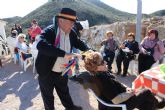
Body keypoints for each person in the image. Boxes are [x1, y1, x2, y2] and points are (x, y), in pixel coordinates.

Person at [35, 8, 90, 110]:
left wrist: (89, 51)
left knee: (64, 92)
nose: (73, 25)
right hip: (47, 72)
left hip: (63, 70)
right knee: (48, 97)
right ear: (60, 20)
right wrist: (64, 54)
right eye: (71, 22)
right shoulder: (50, 31)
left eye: (74, 22)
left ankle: (70, 107)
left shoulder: (72, 32)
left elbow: (79, 43)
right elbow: (40, 45)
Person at [74, 50, 165, 110]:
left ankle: (155, 105)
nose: (105, 62)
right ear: (96, 67)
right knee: (146, 91)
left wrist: (126, 89)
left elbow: (116, 85)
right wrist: (130, 93)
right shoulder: (103, 80)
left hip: (122, 98)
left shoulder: (98, 74)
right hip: (120, 105)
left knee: (147, 104)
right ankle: (158, 105)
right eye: (102, 62)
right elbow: (116, 99)